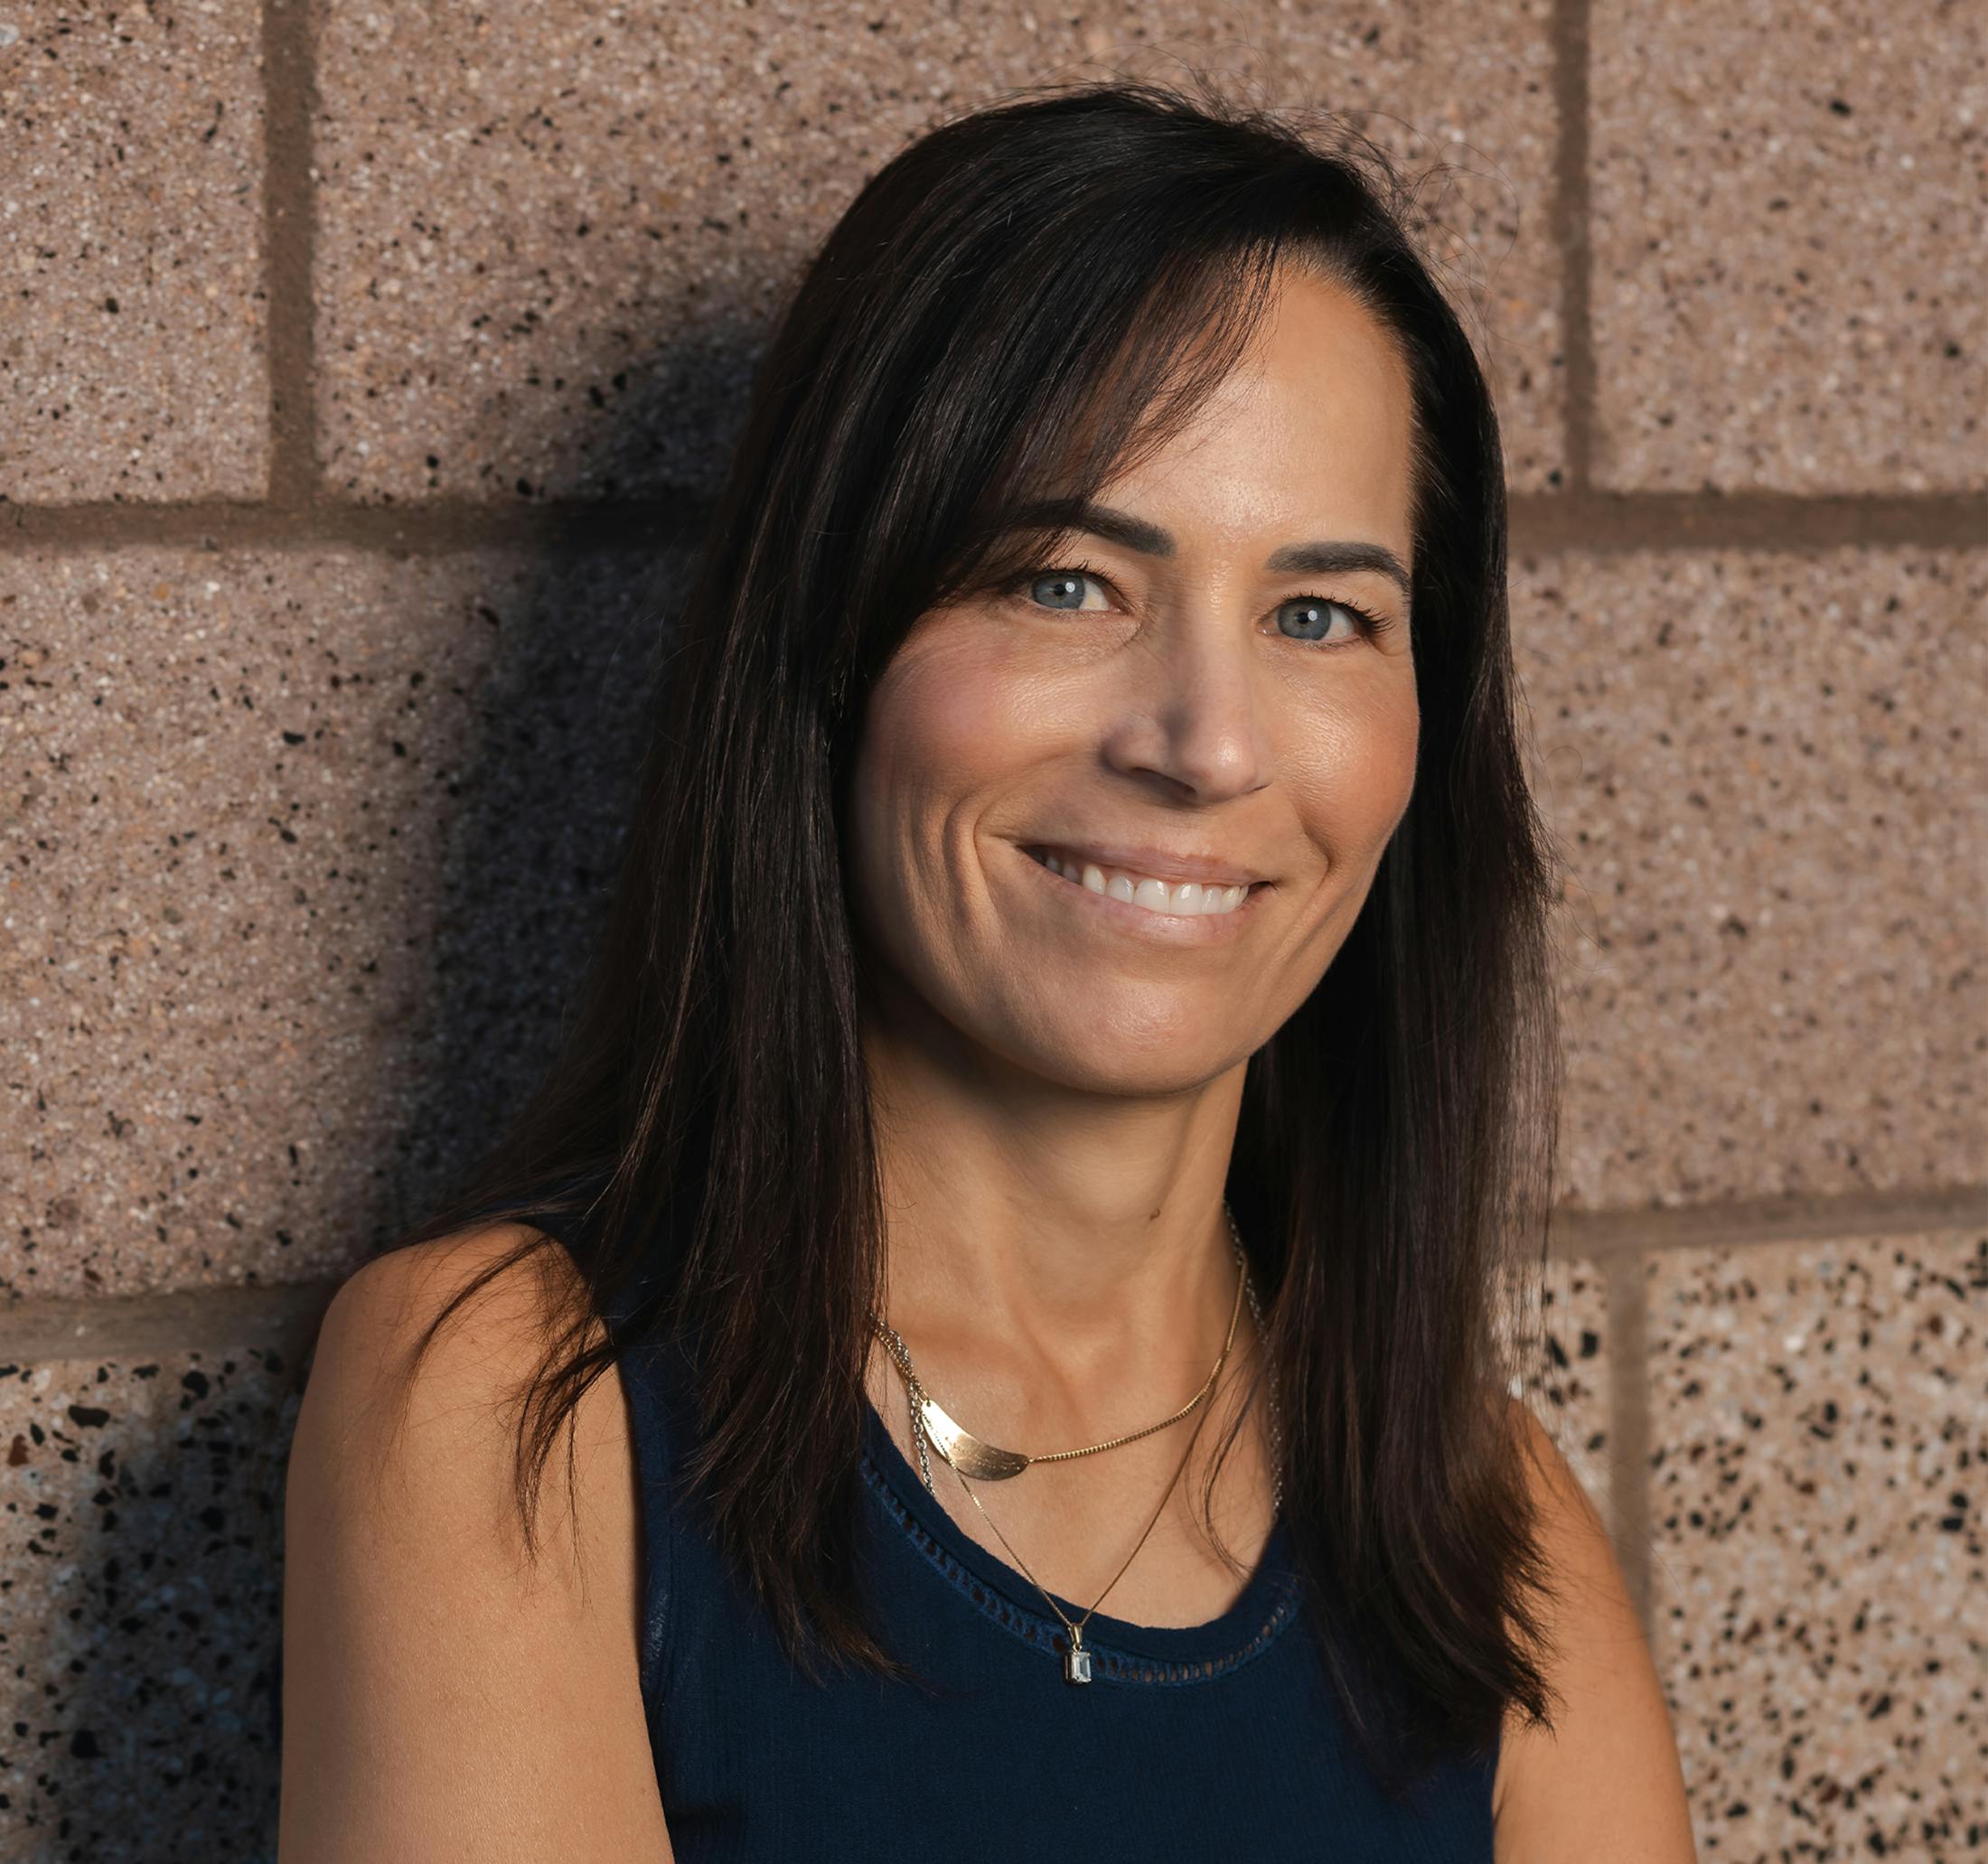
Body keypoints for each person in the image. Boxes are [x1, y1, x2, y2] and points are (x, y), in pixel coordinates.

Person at [276, 77, 1697, 1863]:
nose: (1202, 743)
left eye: (1317, 615)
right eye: (1060, 582)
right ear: (839, 636)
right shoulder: (509, 1403)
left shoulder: (1491, 1530)